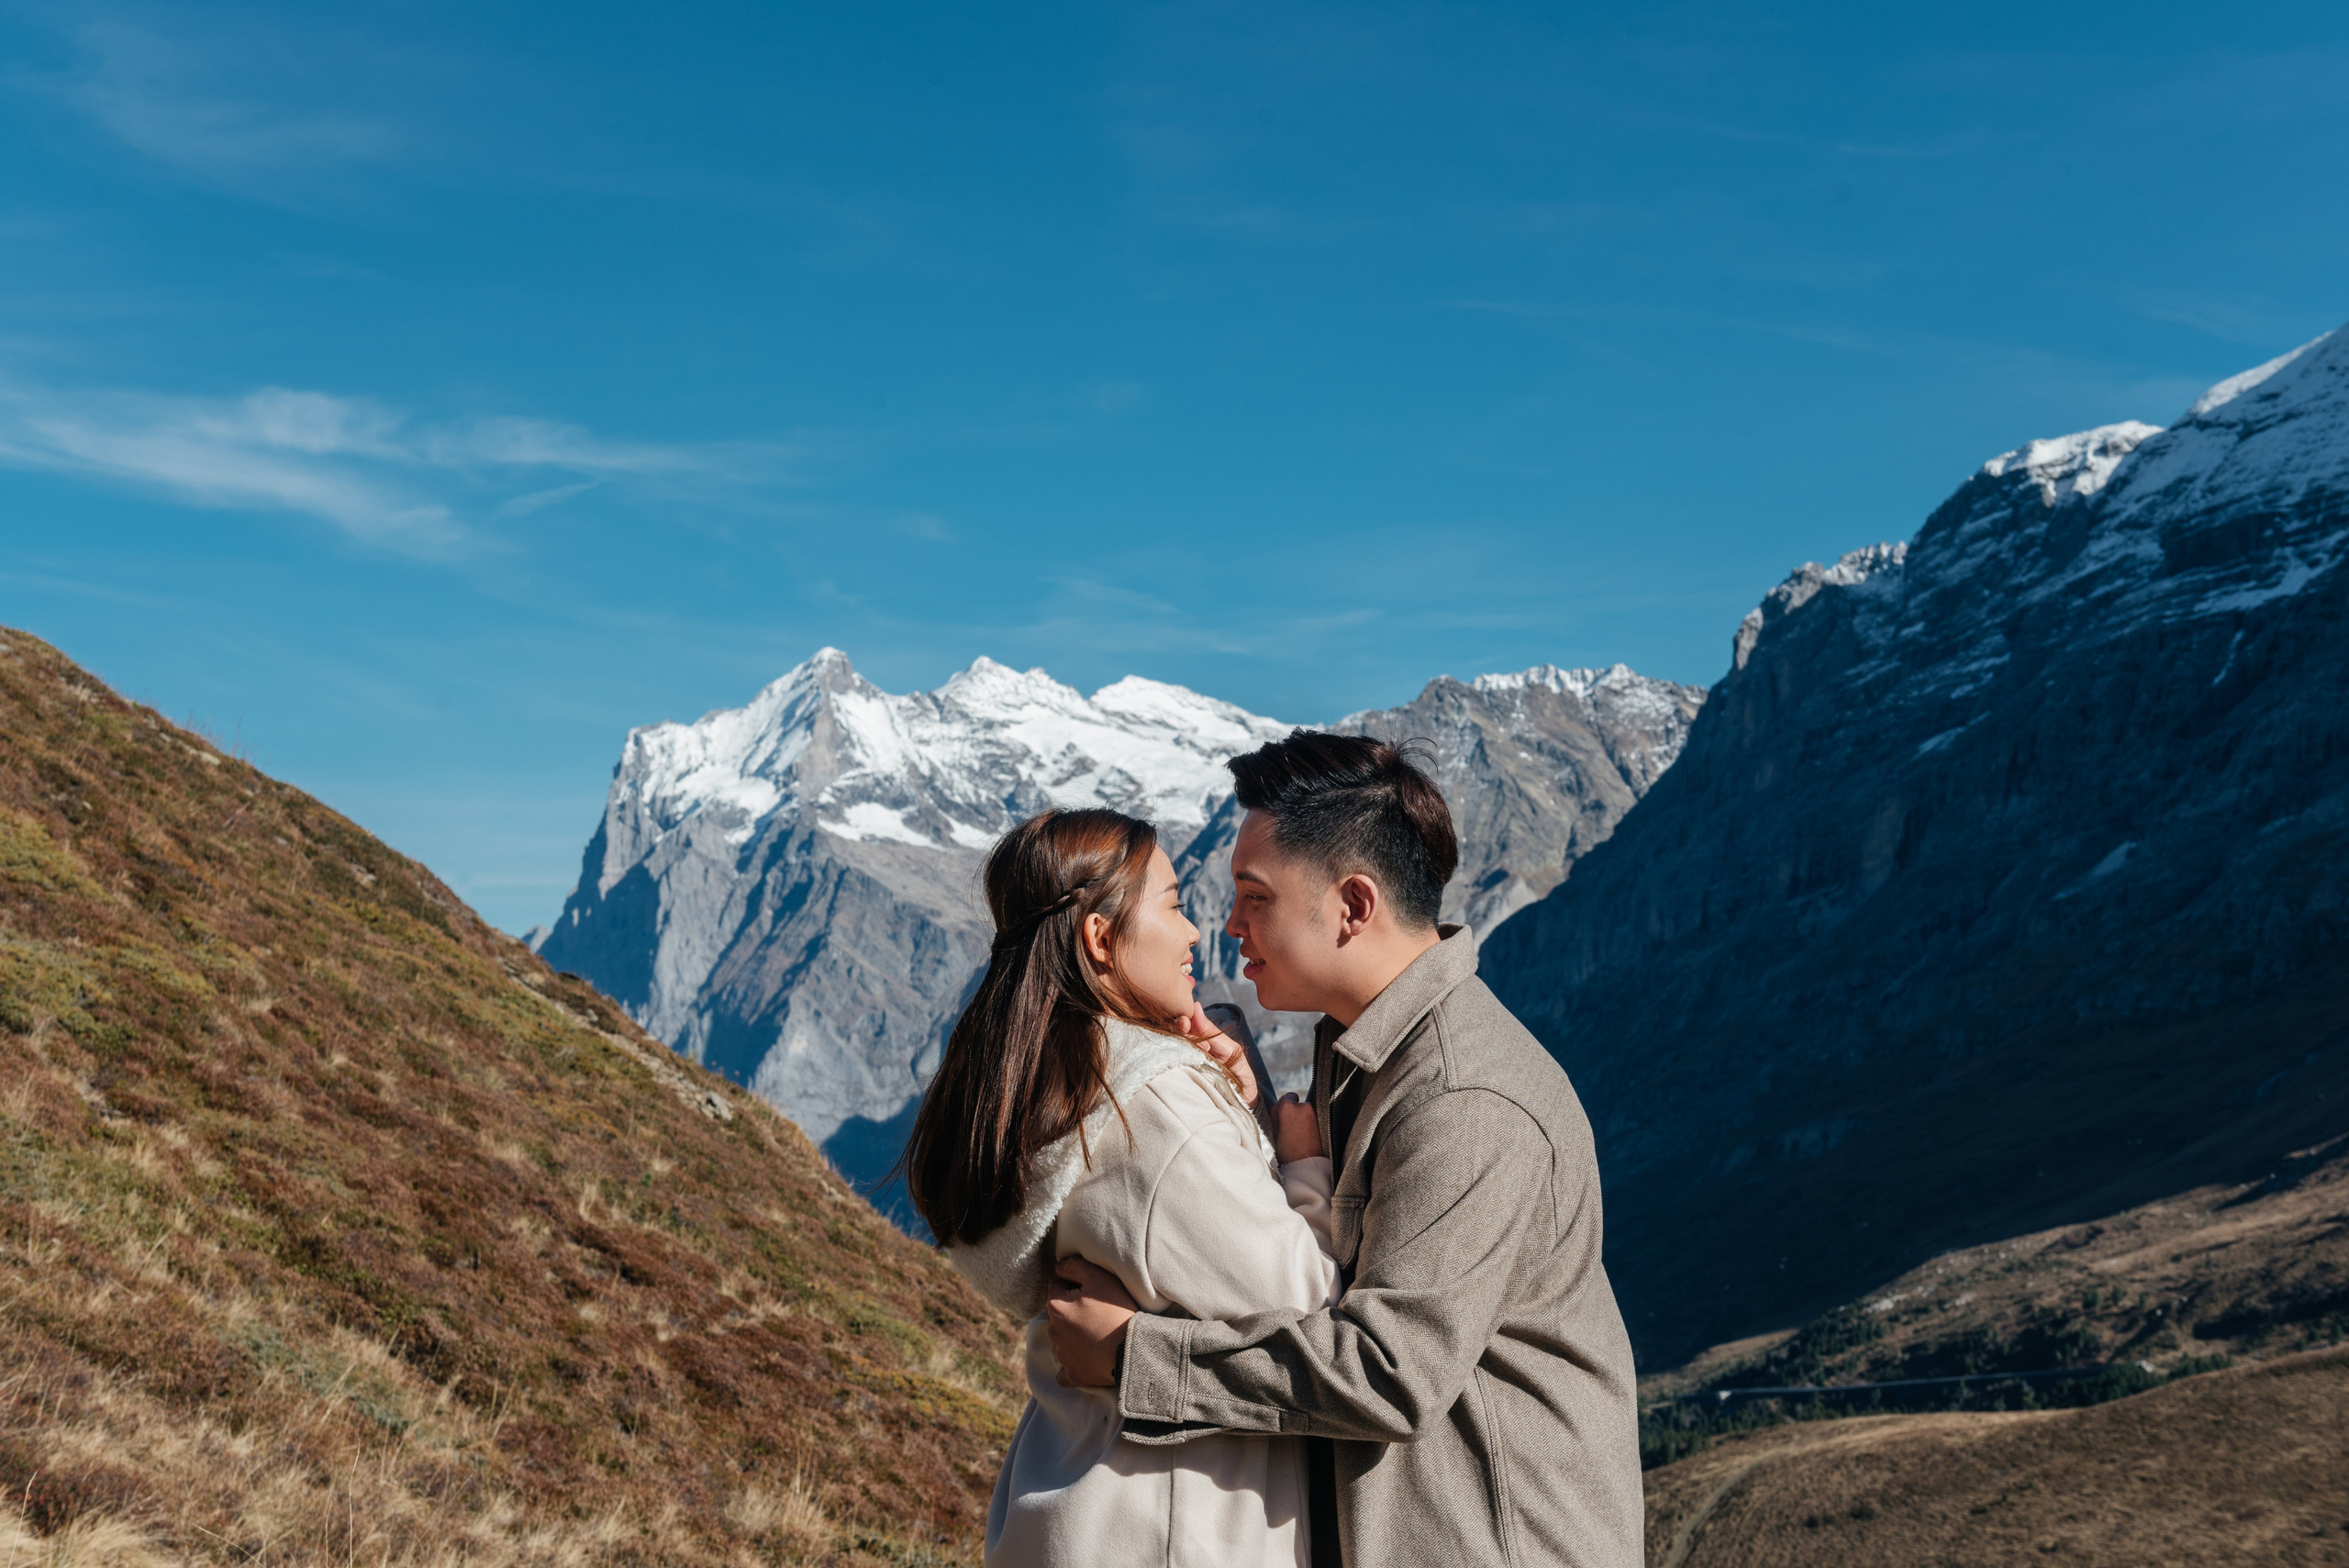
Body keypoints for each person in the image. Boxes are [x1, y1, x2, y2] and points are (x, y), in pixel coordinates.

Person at [1044, 732, 1644, 1568]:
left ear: (1353, 906)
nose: (1228, 925)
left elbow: (1388, 1369)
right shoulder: (1367, 1055)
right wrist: (1248, 1125)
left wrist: (1131, 1357)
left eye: (1254, 897)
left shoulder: (1464, 1099)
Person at [903, 806, 1341, 1566]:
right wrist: (1303, 1163)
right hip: (1180, 1528)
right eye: (1172, 904)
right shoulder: (1157, 1103)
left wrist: (1239, 1116)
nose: (1195, 932)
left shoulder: (1062, 1079)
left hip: (1075, 1502)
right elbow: (1315, 1303)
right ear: (1100, 939)